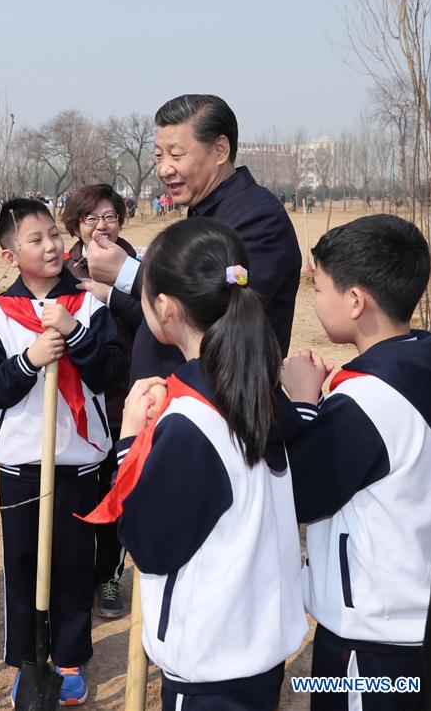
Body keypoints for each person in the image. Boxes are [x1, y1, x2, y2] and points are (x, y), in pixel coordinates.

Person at [87, 217, 307, 710]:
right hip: (256, 648)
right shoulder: (257, 389)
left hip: (210, 667)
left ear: (163, 308)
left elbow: (150, 545)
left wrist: (129, 441)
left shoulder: (192, 421)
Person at [279, 214, 431, 711]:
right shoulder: (430, 359)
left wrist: (303, 404)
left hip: (370, 643)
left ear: (355, 302)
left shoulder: (368, 402)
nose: (315, 300)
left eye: (320, 288)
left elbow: (301, 491)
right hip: (416, 619)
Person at [0, 198, 128, 707]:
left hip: (80, 462)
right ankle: (28, 659)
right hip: (21, 464)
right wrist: (31, 358)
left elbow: (109, 372)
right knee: (22, 562)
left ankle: (69, 656)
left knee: (73, 563)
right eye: (35, 240)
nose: (51, 246)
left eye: (53, 236)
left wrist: (73, 332)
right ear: (10, 255)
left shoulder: (91, 304)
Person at [83, 94, 301, 383]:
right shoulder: (205, 211)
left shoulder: (258, 218)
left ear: (220, 150)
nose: (163, 169)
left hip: (217, 408)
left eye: (176, 155)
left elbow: (226, 307)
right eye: (159, 156)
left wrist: (128, 273)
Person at [60, 184, 138, 619]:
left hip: (123, 397)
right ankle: (77, 576)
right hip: (79, 402)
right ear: (77, 224)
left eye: (109, 216)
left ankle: (109, 576)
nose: (101, 225)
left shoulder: (138, 266)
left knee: (117, 491)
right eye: (91, 218)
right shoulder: (64, 268)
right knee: (80, 494)